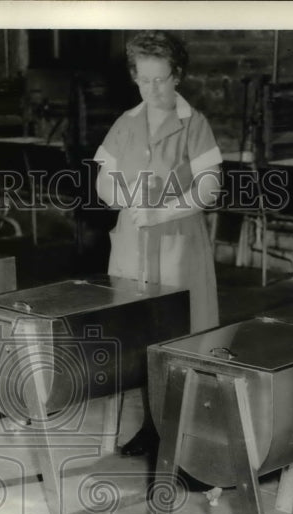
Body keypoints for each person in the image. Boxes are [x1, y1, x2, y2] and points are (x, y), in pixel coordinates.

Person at [94, 30, 222, 457]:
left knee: (180, 335)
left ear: (178, 75)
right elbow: (103, 179)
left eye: (161, 80)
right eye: (144, 80)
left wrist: (162, 211)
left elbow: (209, 188)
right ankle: (151, 427)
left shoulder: (194, 124)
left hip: (176, 245)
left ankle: (185, 439)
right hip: (132, 244)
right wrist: (121, 197)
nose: (152, 89)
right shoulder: (126, 123)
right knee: (138, 336)